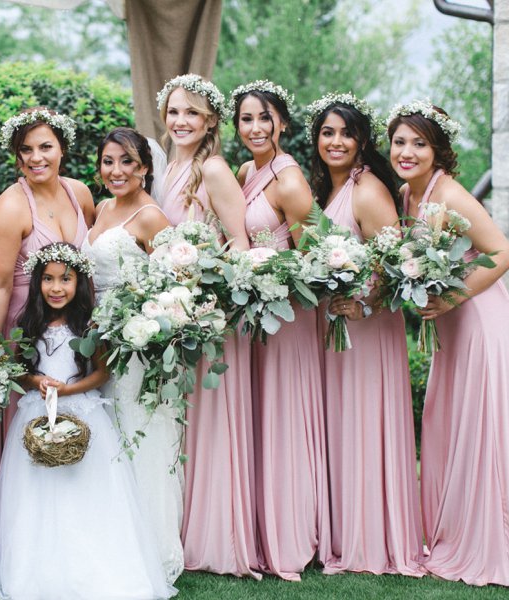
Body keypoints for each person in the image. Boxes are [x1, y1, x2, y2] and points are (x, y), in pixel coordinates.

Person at [388, 101, 509, 586]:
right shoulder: (408, 195)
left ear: (439, 151)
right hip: (452, 330)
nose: (407, 151)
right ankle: (455, 531)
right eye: (400, 141)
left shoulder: (449, 195)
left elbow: (503, 252)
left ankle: (491, 544)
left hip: (478, 322)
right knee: (446, 428)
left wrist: (450, 297)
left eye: (419, 143)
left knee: (478, 432)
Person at [0, 243, 177, 600]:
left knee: (84, 493)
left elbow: (102, 374)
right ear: (38, 282)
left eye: (66, 280)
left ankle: (92, 566)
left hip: (82, 412)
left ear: (79, 283)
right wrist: (36, 382)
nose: (57, 288)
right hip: (37, 413)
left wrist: (68, 392)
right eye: (49, 280)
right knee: (37, 494)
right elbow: (22, 372)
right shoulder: (28, 323)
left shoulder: (89, 324)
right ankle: (38, 569)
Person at [307, 93, 423, 576]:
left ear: (361, 142)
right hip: (337, 332)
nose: (336, 141)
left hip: (367, 332)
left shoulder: (369, 189)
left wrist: (363, 303)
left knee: (363, 425)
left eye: (345, 133)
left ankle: (369, 539)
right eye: (327, 132)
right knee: (342, 427)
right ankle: (341, 529)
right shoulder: (327, 189)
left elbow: (397, 266)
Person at [156, 74, 258, 578]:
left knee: (210, 423)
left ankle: (216, 536)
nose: (181, 122)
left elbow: (240, 242)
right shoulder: (167, 163)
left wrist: (208, 292)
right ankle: (179, 526)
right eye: (175, 112)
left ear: (211, 120)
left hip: (207, 316)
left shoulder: (214, 169)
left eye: (192, 114)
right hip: (171, 313)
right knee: (180, 425)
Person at [231, 81, 327, 581]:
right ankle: (262, 529)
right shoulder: (246, 171)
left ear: (282, 123)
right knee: (262, 419)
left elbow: (318, 257)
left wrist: (273, 276)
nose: (255, 128)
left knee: (285, 419)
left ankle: (292, 540)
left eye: (264, 118)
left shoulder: (289, 180)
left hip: (288, 317)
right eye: (246, 119)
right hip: (256, 316)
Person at [80, 127, 184, 583]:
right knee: (107, 438)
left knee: (139, 436)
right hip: (96, 341)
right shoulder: (102, 208)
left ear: (145, 168)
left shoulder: (150, 217)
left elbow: (175, 288)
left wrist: (135, 325)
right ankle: (112, 537)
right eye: (108, 161)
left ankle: (152, 549)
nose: (116, 171)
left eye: (127, 162)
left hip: (134, 346)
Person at [0, 108, 94, 430]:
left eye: (45, 147)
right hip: (29, 326)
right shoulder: (11, 206)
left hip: (76, 324)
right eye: (26, 150)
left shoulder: (80, 194)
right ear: (17, 157)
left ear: (62, 148)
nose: (36, 158)